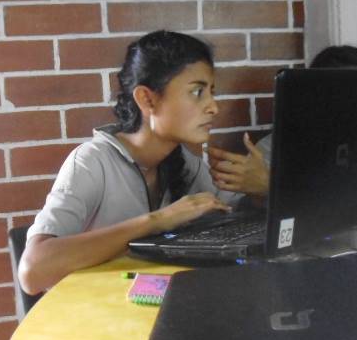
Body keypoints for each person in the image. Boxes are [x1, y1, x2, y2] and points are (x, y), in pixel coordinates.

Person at [18, 30, 240, 295]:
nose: (213, 107)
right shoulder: (92, 162)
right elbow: (33, 271)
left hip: (150, 310)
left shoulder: (185, 164)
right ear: (147, 99)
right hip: (92, 315)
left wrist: (261, 185)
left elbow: (236, 217)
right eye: (197, 92)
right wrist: (157, 220)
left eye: (212, 92)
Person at [207, 44, 357, 198]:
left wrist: (272, 187)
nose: (355, 104)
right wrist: (261, 190)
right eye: (342, 93)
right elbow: (244, 208)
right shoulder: (276, 148)